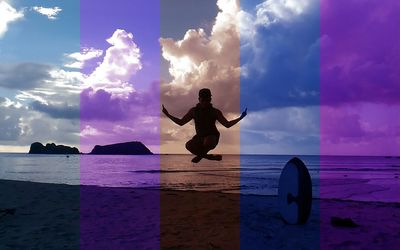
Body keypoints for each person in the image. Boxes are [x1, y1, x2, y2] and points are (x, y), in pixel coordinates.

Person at [162, 88, 247, 163]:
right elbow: (181, 122)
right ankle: (207, 156)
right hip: (199, 137)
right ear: (199, 99)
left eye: (207, 100)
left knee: (208, 140)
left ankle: (200, 155)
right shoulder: (194, 111)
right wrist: (167, 114)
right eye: (203, 100)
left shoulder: (215, 111)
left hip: (212, 137)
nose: (205, 102)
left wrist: (241, 117)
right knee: (188, 145)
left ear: (210, 99)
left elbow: (227, 125)